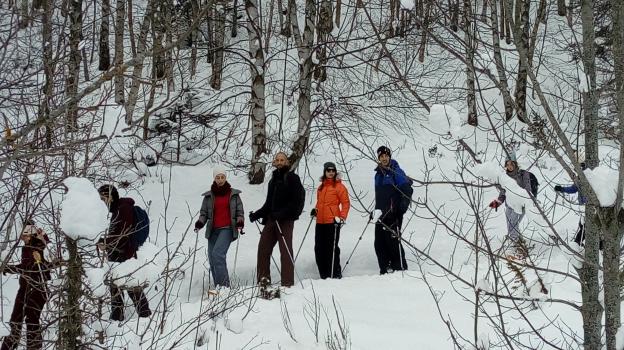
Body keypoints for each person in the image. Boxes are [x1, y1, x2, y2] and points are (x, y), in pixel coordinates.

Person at [249, 152, 305, 287]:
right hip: (271, 220)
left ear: (287, 162)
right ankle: (263, 281)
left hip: (285, 220)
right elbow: (269, 203)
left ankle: (287, 284)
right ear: (274, 162)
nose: (279, 162)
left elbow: (296, 202)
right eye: (277, 160)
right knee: (263, 249)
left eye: (282, 160)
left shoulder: (292, 178)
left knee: (285, 251)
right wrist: (257, 214)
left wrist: (280, 214)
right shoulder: (273, 180)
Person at [97, 185, 151, 321]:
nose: (101, 202)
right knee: (117, 285)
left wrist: (106, 242)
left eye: (102, 199)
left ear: (110, 197)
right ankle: (118, 315)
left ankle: (144, 315)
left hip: (124, 253)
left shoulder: (123, 209)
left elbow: (123, 235)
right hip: (119, 252)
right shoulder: (118, 209)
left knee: (129, 285)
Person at [1, 220, 51, 350]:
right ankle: (8, 347)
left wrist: (42, 239)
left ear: (32, 233)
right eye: (22, 234)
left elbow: (49, 260)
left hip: (38, 289)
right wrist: (7, 268)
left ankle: (33, 348)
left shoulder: (40, 246)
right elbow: (24, 267)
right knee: (15, 319)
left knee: (32, 320)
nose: (23, 237)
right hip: (24, 287)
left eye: (26, 234)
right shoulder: (26, 247)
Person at [194, 166, 244, 287]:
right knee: (212, 258)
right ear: (214, 179)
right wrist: (200, 223)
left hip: (227, 229)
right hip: (213, 230)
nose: (220, 180)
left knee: (218, 254)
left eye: (222, 177)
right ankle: (218, 287)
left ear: (225, 178)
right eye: (218, 177)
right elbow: (204, 213)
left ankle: (224, 287)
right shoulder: (209, 196)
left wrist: (240, 222)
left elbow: (239, 211)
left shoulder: (234, 194)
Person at [372, 146, 413, 274]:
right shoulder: (378, 174)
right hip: (380, 214)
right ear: (379, 158)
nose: (384, 158)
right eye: (381, 156)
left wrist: (402, 207)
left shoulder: (396, 171)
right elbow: (379, 196)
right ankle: (385, 268)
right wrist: (374, 211)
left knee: (392, 241)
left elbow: (407, 189)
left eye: (386, 156)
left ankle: (399, 268)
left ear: (389, 156)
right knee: (379, 243)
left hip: (394, 213)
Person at [488, 154, 534, 257]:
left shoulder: (523, 174)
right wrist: (498, 202)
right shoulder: (505, 176)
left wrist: (524, 200)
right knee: (510, 226)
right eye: (507, 164)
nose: (509, 166)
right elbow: (503, 192)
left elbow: (528, 189)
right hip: (509, 205)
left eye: (511, 164)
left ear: (515, 163)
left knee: (513, 225)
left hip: (520, 205)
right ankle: (519, 242)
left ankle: (517, 248)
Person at [310, 162, 350, 279]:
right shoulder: (321, 187)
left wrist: (342, 217)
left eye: (333, 171)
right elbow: (320, 203)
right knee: (318, 248)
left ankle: (335, 273)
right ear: (325, 172)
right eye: (328, 171)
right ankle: (324, 274)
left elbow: (346, 203)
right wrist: (315, 211)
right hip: (320, 222)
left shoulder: (339, 187)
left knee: (331, 248)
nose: (331, 173)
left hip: (332, 222)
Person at [554, 161, 588, 246]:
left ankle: (578, 243)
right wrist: (561, 189)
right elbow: (573, 189)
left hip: (590, 206)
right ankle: (579, 243)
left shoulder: (589, 178)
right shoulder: (579, 179)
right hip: (583, 206)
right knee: (583, 225)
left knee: (585, 226)